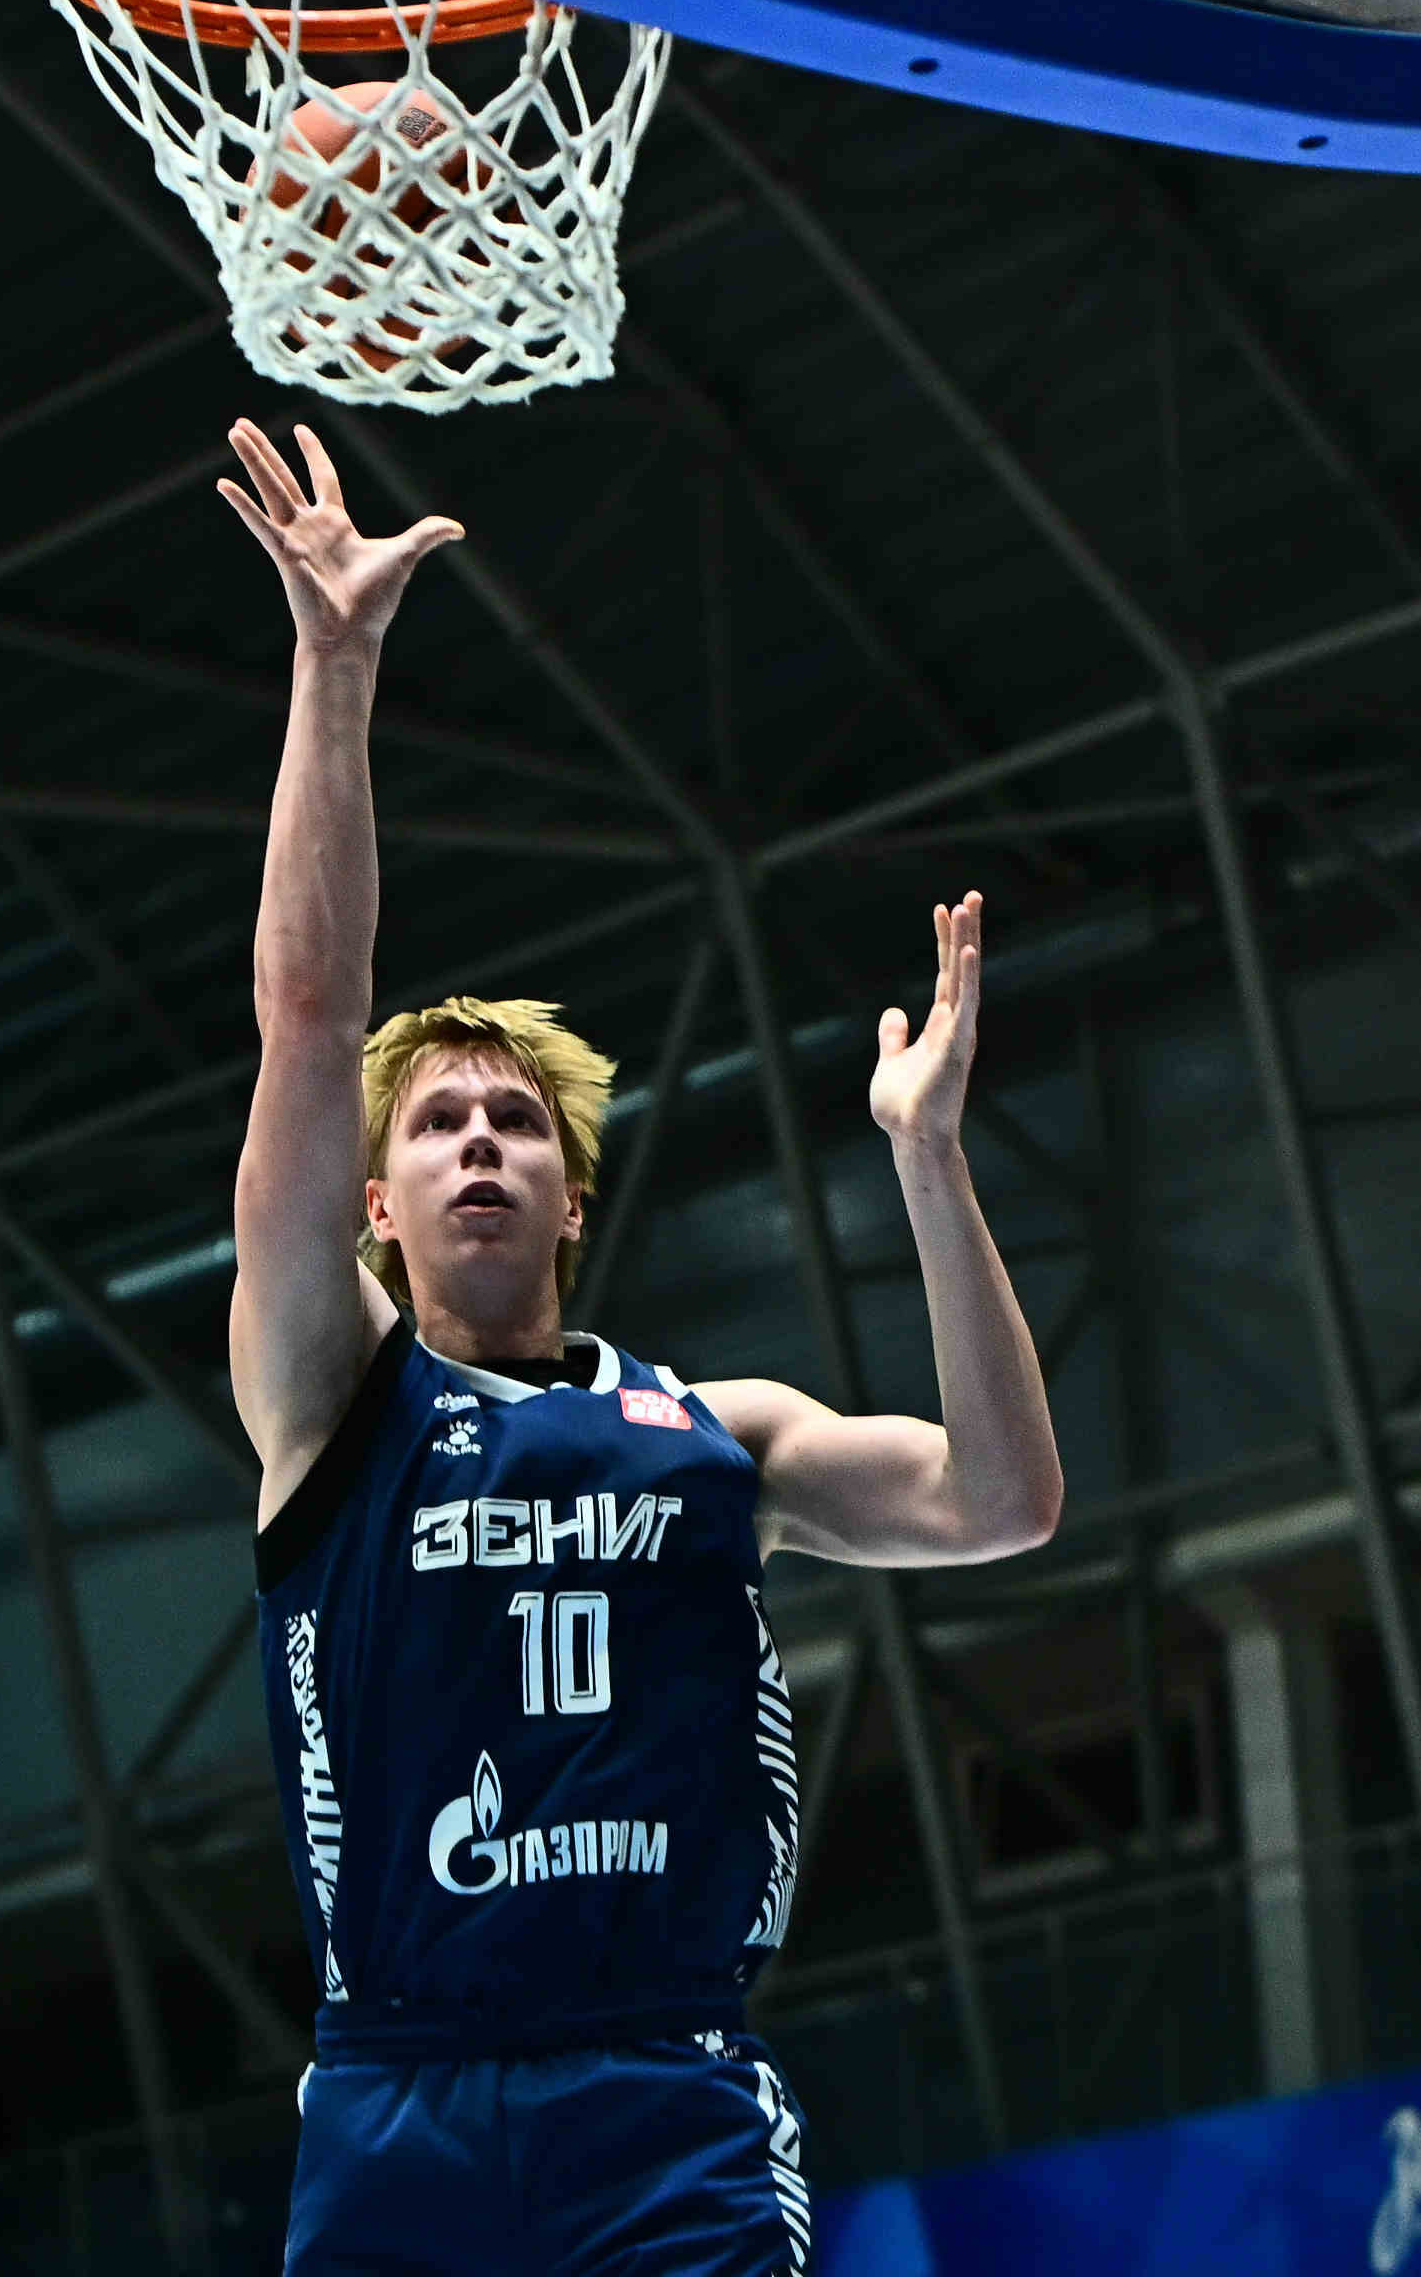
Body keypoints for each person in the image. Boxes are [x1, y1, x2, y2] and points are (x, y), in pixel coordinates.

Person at [217, 420, 1065, 2277]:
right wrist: (334, 666)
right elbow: (306, 1014)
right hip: (401, 2096)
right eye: (436, 1123)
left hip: (663, 2094)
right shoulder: (331, 1393)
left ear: (573, 1196)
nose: (477, 1142)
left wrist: (929, 1159)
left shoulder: (713, 1434)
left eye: (516, 1121)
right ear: (374, 1205)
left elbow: (1001, 1499)